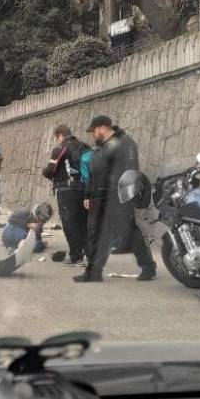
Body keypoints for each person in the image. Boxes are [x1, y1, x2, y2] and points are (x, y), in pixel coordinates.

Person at [75, 115, 156, 283]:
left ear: (102, 128)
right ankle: (93, 272)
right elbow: (95, 173)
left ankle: (148, 267)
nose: (93, 135)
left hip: (117, 197)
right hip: (99, 197)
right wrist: (89, 194)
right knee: (97, 235)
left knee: (130, 232)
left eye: (94, 131)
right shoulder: (102, 147)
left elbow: (132, 172)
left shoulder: (125, 144)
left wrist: (126, 196)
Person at [42, 124, 89, 266]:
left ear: (59, 135)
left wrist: (45, 172)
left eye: (57, 138)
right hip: (85, 190)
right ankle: (90, 255)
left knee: (70, 223)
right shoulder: (85, 146)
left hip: (67, 191)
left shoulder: (60, 148)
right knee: (84, 222)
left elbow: (50, 170)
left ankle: (75, 256)